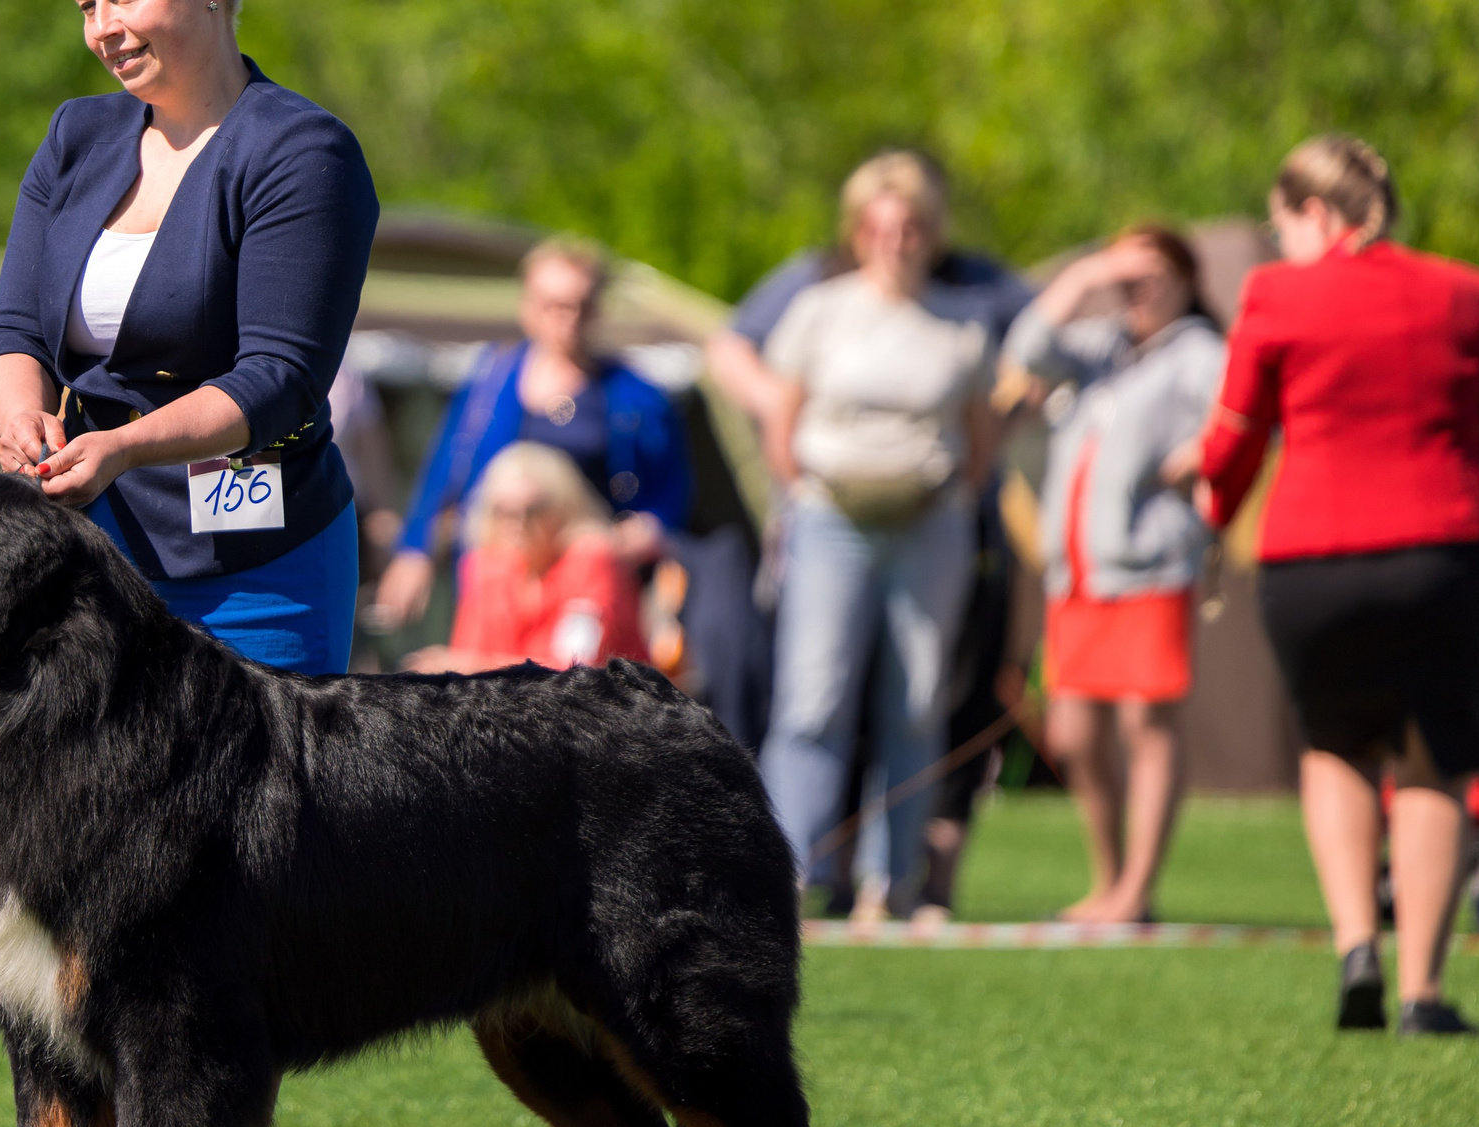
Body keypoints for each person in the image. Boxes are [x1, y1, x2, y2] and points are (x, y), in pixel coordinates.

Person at [0, 0, 378, 682]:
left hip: (259, 567)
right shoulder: (74, 137)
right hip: (86, 559)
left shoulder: (302, 151)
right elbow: (13, 330)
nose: (101, 28)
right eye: (86, 4)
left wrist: (123, 445)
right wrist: (21, 422)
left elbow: (279, 377)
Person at [1197, 135, 1479, 1036]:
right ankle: (1423, 992)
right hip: (1443, 550)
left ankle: (1355, 947)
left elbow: (1234, 438)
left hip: (1312, 558)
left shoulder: (1276, 293)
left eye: (1279, 221)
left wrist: (1215, 505)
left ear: (1315, 213)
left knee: (1335, 746)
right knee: (1433, 763)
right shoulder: (1466, 291)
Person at [707, 150, 1032, 913]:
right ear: (858, 231)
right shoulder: (819, 306)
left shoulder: (963, 318)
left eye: (913, 226)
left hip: (930, 527)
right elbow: (779, 418)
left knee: (915, 700)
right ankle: (787, 873)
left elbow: (982, 438)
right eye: (882, 226)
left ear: (932, 232)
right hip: (832, 522)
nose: (898, 240)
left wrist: (946, 494)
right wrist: (810, 493)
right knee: (812, 701)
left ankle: (893, 880)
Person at [1007, 224, 1225, 924]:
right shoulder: (1102, 349)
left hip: (1149, 567)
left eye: (1152, 269)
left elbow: (1248, 415)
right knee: (1073, 733)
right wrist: (1087, 275)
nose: (1137, 284)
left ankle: (1137, 887)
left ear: (1189, 280)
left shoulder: (1198, 352)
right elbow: (1024, 351)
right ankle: (1108, 881)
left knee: (1145, 724)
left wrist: (1202, 453)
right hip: (1075, 576)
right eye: (1127, 271)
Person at [373, 239, 689, 662]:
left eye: (580, 304)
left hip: (581, 574)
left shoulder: (635, 396)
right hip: (497, 570)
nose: (567, 317)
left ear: (597, 308)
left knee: (567, 676)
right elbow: (445, 470)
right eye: (553, 304)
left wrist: (649, 527)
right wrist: (416, 550)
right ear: (528, 305)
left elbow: (673, 485)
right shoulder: (490, 382)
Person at [404, 443, 651, 674]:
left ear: (563, 508)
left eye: (532, 510)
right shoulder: (486, 565)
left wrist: (471, 667)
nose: (518, 524)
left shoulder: (592, 558)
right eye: (503, 511)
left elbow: (575, 672)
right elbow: (467, 655)